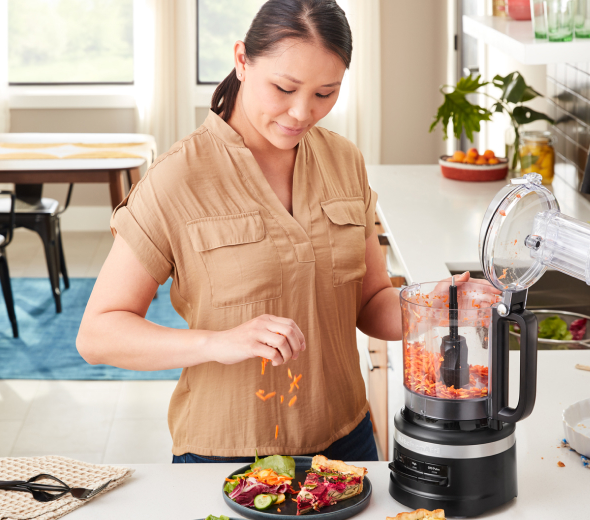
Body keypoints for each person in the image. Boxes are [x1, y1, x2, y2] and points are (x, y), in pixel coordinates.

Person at [77, 0, 489, 463]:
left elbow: (371, 304)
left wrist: (435, 304)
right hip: (227, 455)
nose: (301, 113)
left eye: (324, 93)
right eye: (283, 88)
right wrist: (218, 342)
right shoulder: (179, 178)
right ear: (241, 61)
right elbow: (97, 334)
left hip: (347, 443)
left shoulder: (344, 161)